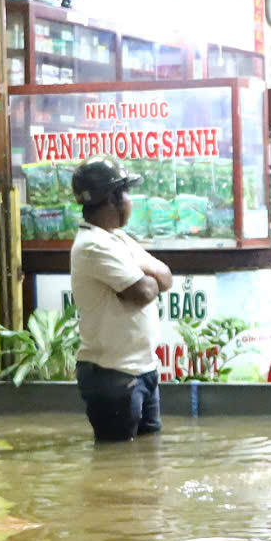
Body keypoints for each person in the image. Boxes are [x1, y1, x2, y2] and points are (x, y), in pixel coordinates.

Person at [69, 157, 174, 444]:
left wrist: (141, 276)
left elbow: (165, 277)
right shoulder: (93, 246)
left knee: (147, 457)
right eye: (127, 193)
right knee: (115, 465)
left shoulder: (118, 240)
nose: (131, 201)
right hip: (113, 377)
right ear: (113, 198)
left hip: (143, 371)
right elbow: (143, 293)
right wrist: (142, 277)